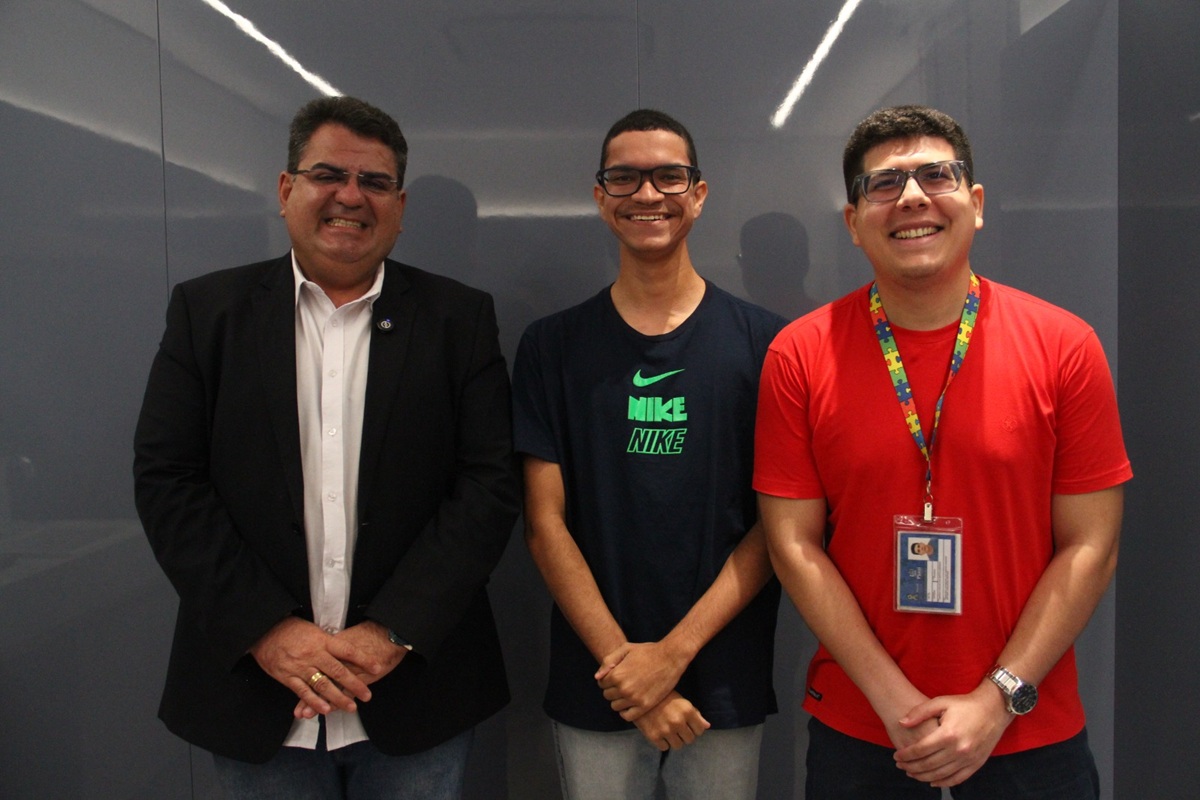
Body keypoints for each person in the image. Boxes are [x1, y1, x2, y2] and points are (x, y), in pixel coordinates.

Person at [133, 96, 520, 799]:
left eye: (374, 182)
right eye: (328, 175)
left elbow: (488, 486)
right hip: (257, 697)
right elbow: (168, 481)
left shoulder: (458, 320)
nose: (351, 196)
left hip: (415, 694)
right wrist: (267, 631)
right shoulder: (208, 313)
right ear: (287, 189)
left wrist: (393, 631)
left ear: (399, 206)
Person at [754, 105, 1131, 798]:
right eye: (884, 183)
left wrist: (997, 698)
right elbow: (793, 546)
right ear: (853, 221)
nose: (912, 197)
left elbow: (1092, 546)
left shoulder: (1065, 347)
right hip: (864, 729)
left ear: (976, 204)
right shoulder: (798, 356)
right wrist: (894, 702)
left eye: (936, 175)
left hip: (1027, 727)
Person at [511, 109, 785, 799]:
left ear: (699, 193)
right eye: (625, 178)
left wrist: (670, 658)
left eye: (669, 176)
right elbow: (545, 526)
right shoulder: (551, 347)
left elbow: (778, 528)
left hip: (721, 676)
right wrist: (626, 665)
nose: (647, 194)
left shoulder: (767, 345)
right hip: (598, 677)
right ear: (600, 196)